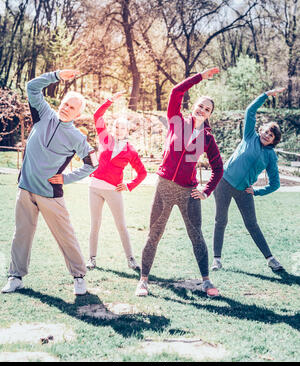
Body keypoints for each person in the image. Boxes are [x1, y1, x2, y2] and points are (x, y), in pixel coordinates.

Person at [1, 69, 98, 296]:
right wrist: (56, 75)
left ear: (78, 114)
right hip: (25, 189)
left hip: (50, 195)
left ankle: (79, 277)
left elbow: (92, 164)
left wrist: (66, 178)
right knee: (21, 234)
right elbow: (32, 87)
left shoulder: (77, 137)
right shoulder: (43, 113)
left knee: (65, 236)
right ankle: (15, 277)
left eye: (72, 107)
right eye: (65, 103)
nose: (66, 108)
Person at [135, 68, 224, 298]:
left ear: (209, 114)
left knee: (197, 236)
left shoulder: (207, 138)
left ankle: (206, 280)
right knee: (154, 234)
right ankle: (143, 281)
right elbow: (176, 91)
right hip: (164, 187)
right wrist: (200, 77)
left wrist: (205, 191)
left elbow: (218, 168)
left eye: (207, 109)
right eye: (200, 105)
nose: (202, 110)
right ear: (193, 105)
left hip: (188, 192)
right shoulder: (176, 120)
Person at [211, 88, 286, 273]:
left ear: (274, 141)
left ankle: (270, 259)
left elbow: (275, 184)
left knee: (252, 224)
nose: (267, 136)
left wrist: (257, 191)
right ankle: (217, 260)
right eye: (266, 131)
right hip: (223, 183)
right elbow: (250, 111)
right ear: (261, 130)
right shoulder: (249, 136)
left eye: (271, 136)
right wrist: (267, 94)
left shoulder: (270, 156)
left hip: (244, 190)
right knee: (221, 220)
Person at [86, 91, 147, 271]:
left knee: (121, 226)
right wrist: (110, 100)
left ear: (127, 131)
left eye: (123, 128)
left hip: (114, 190)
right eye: (117, 127)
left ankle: (131, 260)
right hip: (95, 187)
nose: (119, 130)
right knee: (94, 225)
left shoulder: (131, 150)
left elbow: (142, 173)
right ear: (113, 128)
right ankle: (91, 259)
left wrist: (129, 185)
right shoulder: (104, 138)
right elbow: (97, 115)